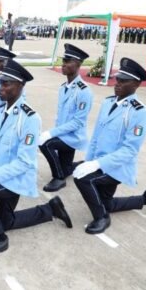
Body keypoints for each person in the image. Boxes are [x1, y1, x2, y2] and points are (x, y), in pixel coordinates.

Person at [0, 59, 73, 258]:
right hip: (3, 173)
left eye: (7, 83)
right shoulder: (0, 112)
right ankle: (50, 209)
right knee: (6, 220)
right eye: (1, 82)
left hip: (16, 178)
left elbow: (25, 162)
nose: (1, 87)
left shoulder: (30, 119)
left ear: (20, 86)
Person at [73, 57, 146, 234]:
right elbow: (96, 136)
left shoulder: (140, 112)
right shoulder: (108, 102)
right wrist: (89, 160)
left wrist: (96, 165)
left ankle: (101, 217)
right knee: (106, 202)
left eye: (124, 81)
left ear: (137, 84)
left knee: (83, 180)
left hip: (116, 167)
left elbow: (129, 151)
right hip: (100, 162)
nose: (117, 84)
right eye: (118, 79)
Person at [39, 44, 93, 192]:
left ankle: (59, 178)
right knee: (67, 168)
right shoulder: (64, 87)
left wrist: (51, 133)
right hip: (63, 134)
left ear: (77, 64)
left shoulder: (84, 91)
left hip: (73, 137)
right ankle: (75, 166)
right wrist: (55, 131)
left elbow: (78, 122)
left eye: (67, 61)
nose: (63, 64)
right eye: (63, 60)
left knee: (46, 143)